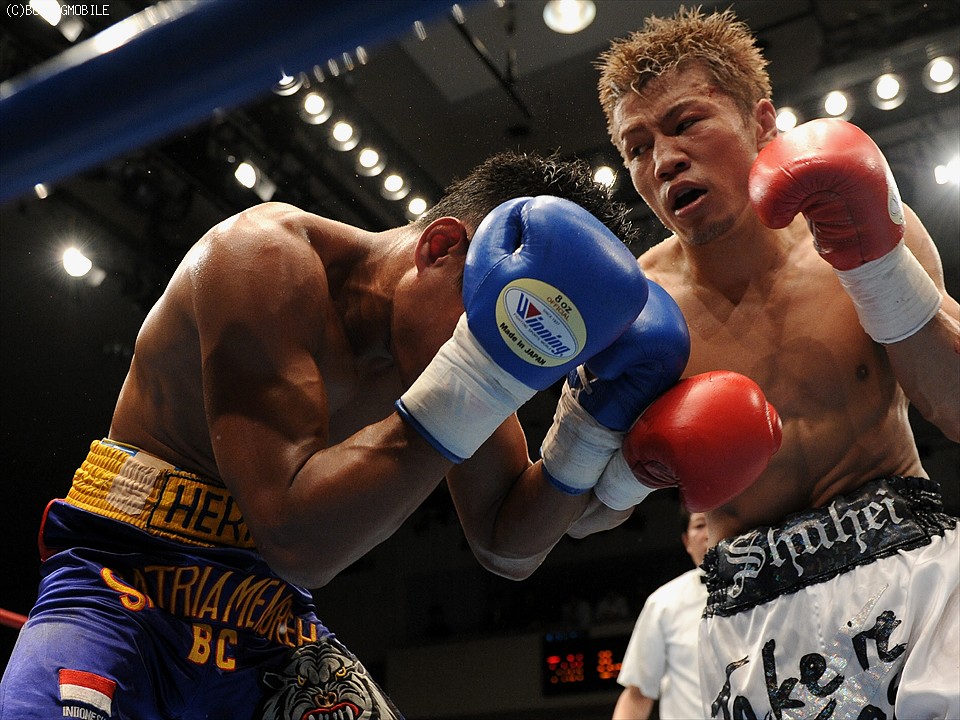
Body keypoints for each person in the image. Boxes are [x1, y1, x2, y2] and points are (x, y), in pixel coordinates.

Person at [0, 151, 703, 720]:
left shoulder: (461, 351)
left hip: (269, 621)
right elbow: (296, 539)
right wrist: (481, 373)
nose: (494, 359)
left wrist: (590, 427)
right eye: (491, 334)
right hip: (124, 582)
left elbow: (506, 545)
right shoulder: (263, 260)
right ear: (441, 247)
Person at [593, 6, 960, 719]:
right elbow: (569, 523)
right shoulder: (637, 313)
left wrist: (877, 266)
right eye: (637, 147)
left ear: (762, 122)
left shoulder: (860, 225)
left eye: (685, 123)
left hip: (914, 575)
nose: (663, 159)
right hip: (754, 624)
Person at [614, 510, 709, 720]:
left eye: (715, 521)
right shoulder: (664, 603)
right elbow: (638, 695)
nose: (709, 534)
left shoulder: (770, 594)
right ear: (686, 541)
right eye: (700, 525)